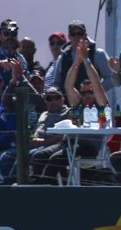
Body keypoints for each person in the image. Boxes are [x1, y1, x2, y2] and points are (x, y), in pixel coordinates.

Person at [32, 40, 109, 184]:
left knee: (55, 160)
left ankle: (45, 188)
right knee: (39, 155)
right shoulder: (78, 104)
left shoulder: (101, 106)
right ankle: (39, 187)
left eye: (90, 92)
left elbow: (97, 84)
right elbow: (68, 85)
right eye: (83, 93)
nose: (87, 95)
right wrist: (76, 62)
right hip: (68, 143)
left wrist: (86, 61)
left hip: (89, 147)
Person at [0, 86, 69, 186]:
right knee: (6, 155)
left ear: (63, 98)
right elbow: (6, 101)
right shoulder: (44, 114)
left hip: (51, 146)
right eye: (49, 98)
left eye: (57, 97)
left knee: (24, 156)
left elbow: (66, 135)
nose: (53, 101)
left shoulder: (67, 112)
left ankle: (12, 185)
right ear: (46, 101)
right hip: (33, 144)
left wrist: (42, 142)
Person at [52, 20, 113, 93]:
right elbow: (56, 83)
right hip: (70, 102)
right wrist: (54, 93)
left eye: (80, 33)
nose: (77, 36)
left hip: (93, 102)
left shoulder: (98, 54)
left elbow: (110, 78)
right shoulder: (63, 58)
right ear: (69, 37)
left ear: (85, 35)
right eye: (73, 34)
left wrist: (94, 92)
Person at [0, 19, 28, 84]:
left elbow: (25, 75)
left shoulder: (20, 58)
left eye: (13, 34)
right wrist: (1, 63)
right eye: (6, 33)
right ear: (0, 35)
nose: (10, 37)